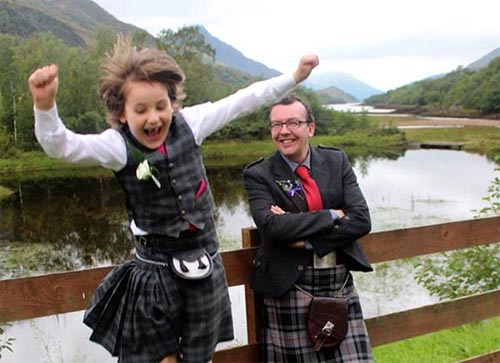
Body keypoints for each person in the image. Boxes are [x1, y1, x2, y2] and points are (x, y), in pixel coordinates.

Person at [28, 34, 319, 363]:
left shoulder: (192, 124)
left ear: (173, 104)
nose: (153, 118)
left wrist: (294, 77)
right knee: (161, 359)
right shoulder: (116, 146)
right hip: (156, 268)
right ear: (122, 114)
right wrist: (45, 106)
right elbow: (63, 146)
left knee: (200, 356)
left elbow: (244, 100)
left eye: (160, 106)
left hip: (205, 260)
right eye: (141, 110)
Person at [243, 94, 374, 362]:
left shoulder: (336, 162)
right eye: (276, 125)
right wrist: (332, 215)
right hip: (290, 286)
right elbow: (273, 228)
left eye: (292, 122)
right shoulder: (260, 174)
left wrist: (307, 240)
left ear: (310, 128)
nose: (284, 131)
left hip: (338, 283)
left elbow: (361, 219)